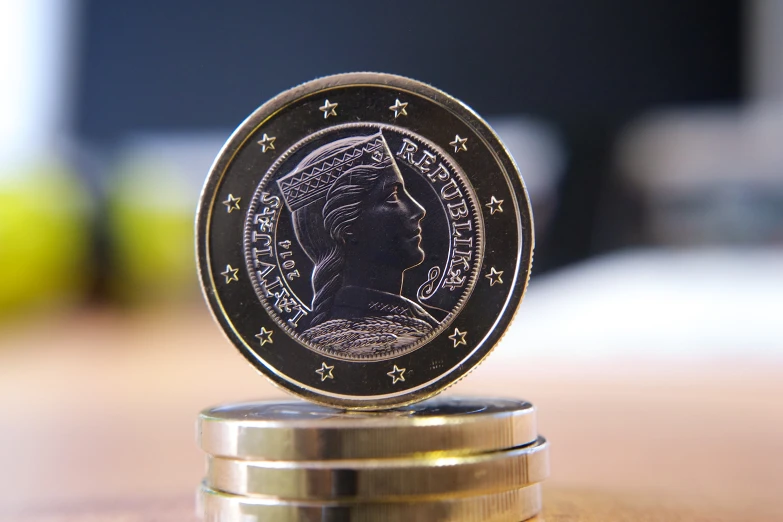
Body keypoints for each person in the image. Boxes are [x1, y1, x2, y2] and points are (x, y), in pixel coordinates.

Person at [277, 132, 438, 358]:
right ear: (345, 227)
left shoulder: (414, 322)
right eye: (392, 196)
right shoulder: (356, 339)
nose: (419, 210)